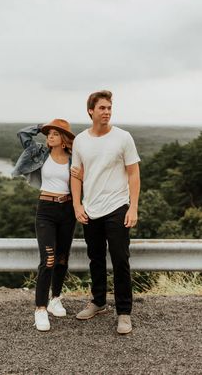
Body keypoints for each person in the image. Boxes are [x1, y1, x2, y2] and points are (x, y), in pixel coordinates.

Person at [71, 91, 140, 334]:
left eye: (109, 107)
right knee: (96, 258)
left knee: (120, 259)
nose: (107, 111)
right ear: (91, 111)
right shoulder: (80, 140)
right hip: (91, 208)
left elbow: (133, 173)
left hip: (118, 206)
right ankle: (99, 302)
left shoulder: (123, 138)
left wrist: (133, 206)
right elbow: (75, 175)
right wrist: (77, 206)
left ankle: (124, 312)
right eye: (102, 107)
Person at [13, 119, 79, 332]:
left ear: (64, 139)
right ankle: (40, 309)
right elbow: (23, 133)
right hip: (46, 210)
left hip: (68, 210)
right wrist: (42, 125)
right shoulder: (40, 152)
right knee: (48, 259)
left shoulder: (73, 159)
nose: (50, 136)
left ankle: (55, 298)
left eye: (55, 134)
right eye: (48, 133)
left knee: (62, 258)